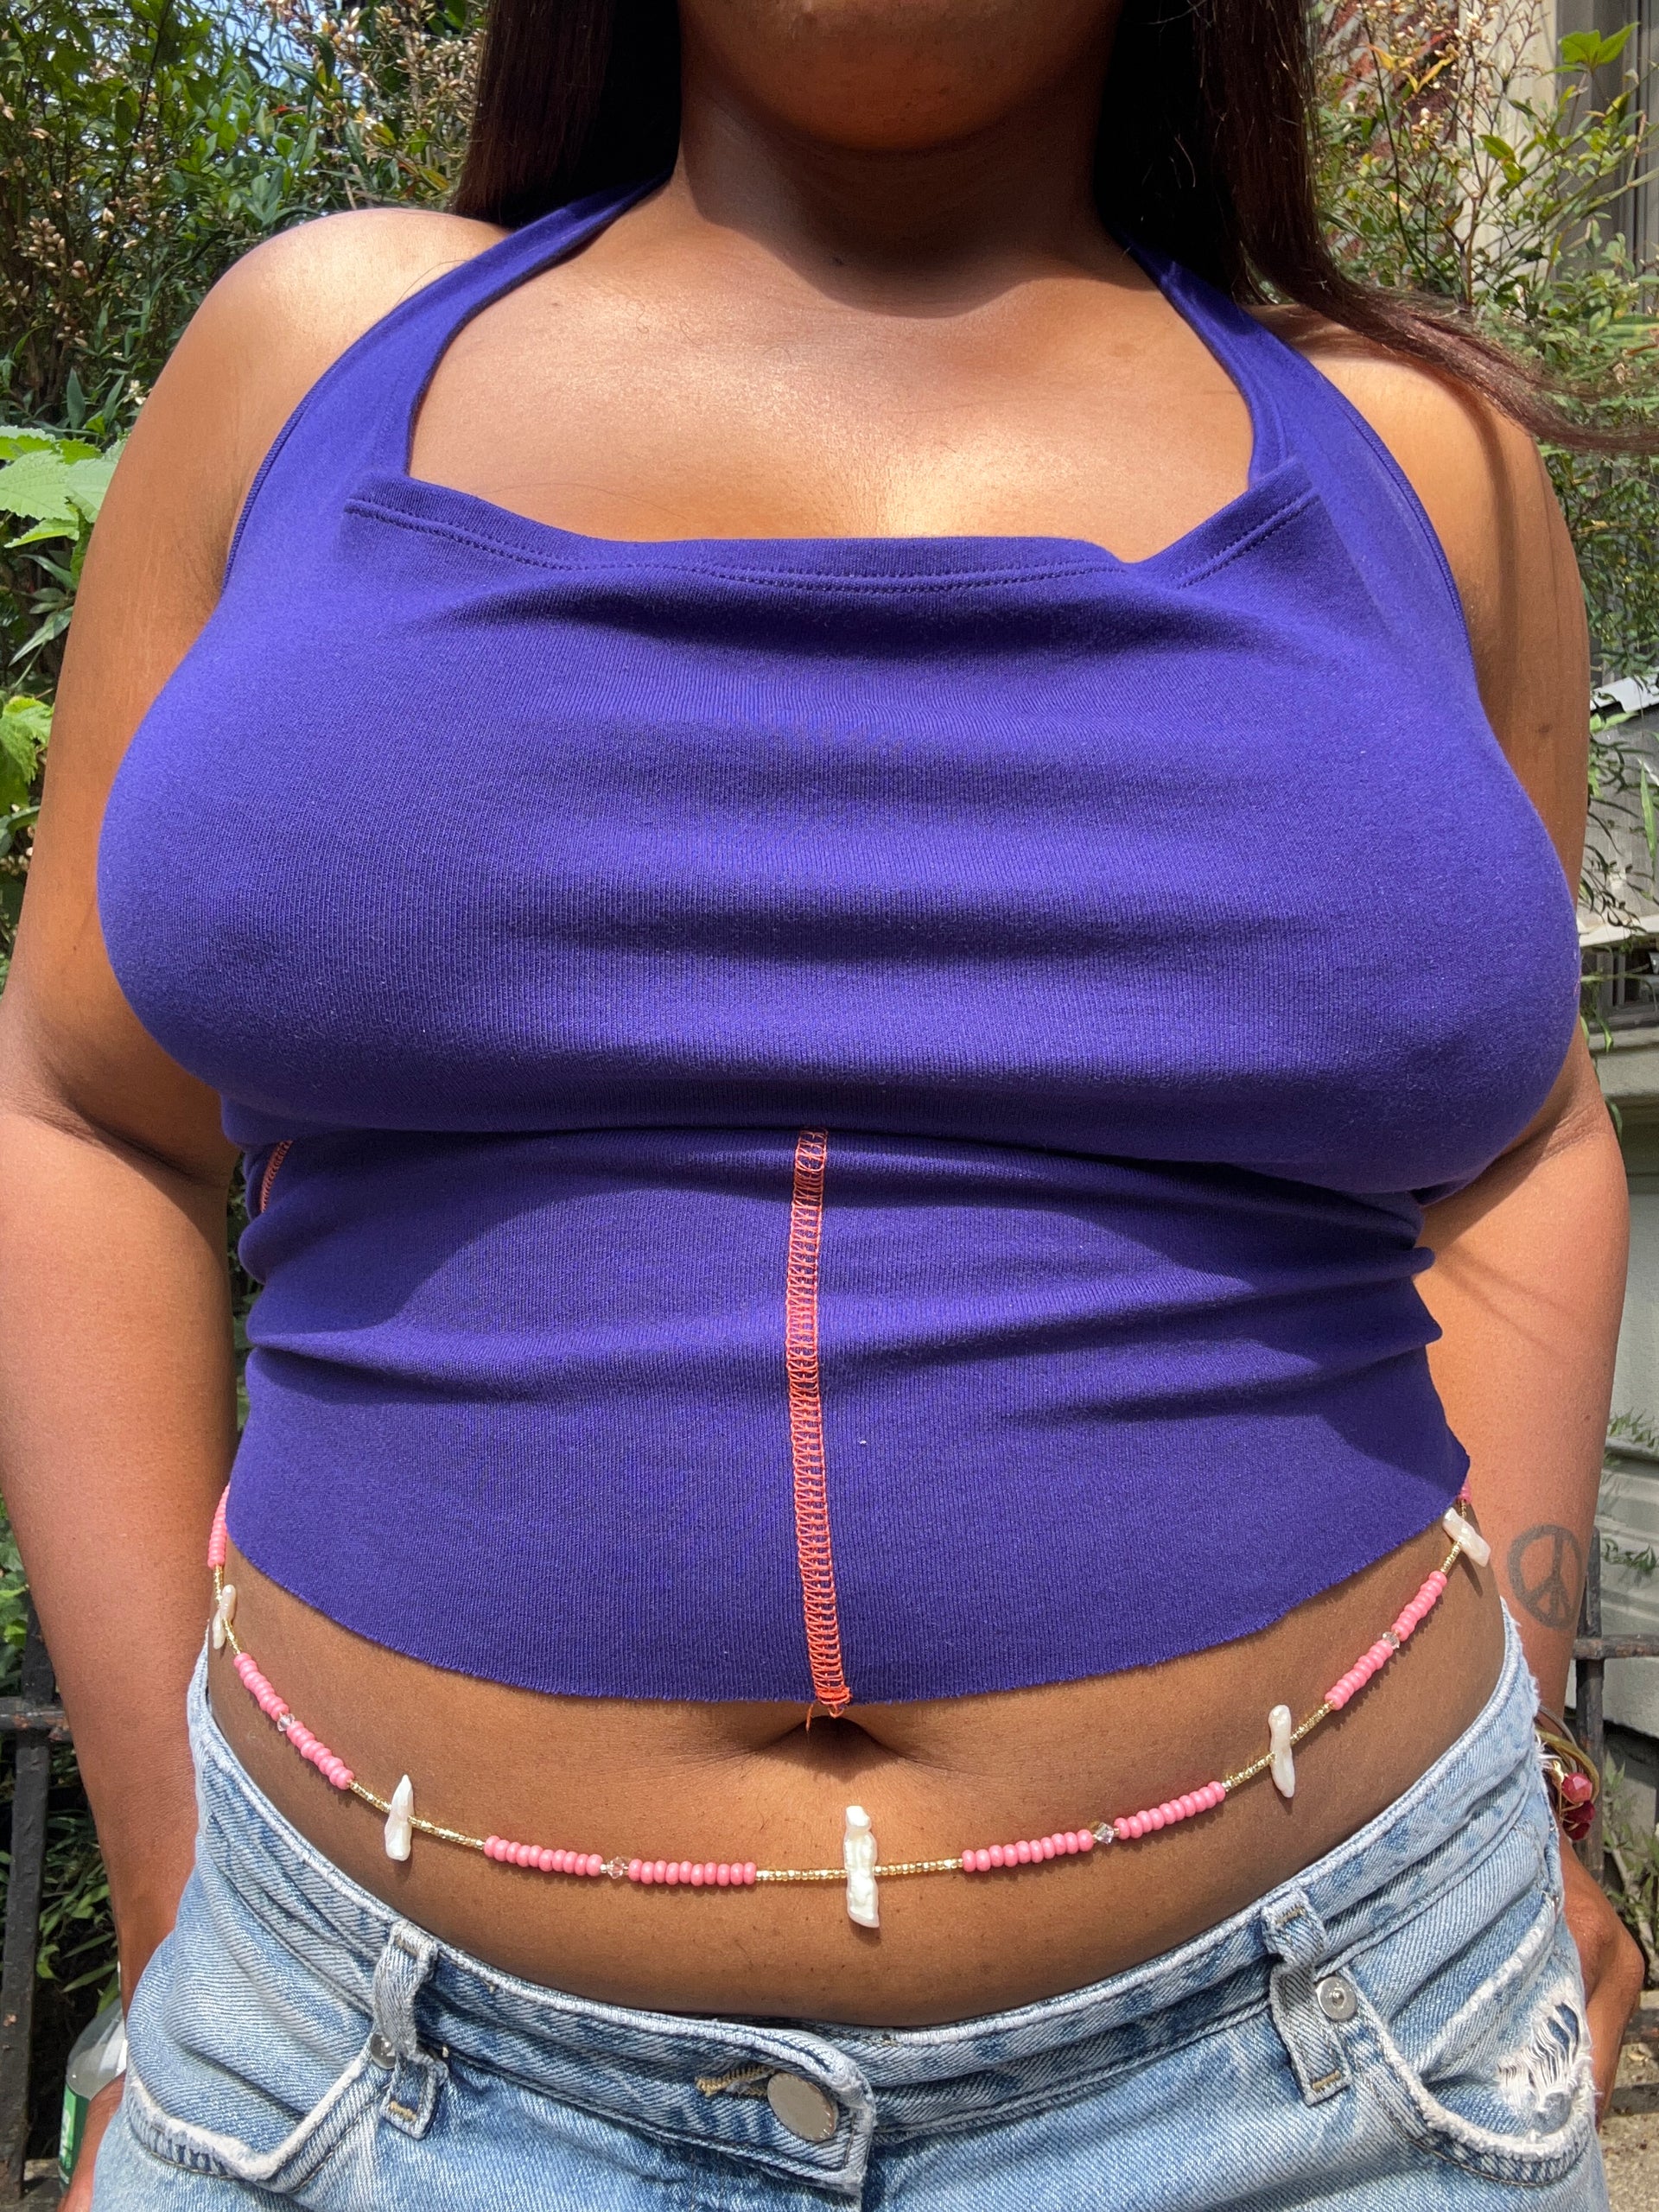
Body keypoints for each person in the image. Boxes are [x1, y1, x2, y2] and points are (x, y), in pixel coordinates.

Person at [0, 0, 1643, 2202]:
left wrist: (1534, 1748)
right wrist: (182, 1888)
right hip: (359, 2077)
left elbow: (1525, 1137)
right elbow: (82, 1106)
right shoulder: (311, 359)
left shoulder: (1418, 460)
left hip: (1354, 2054)